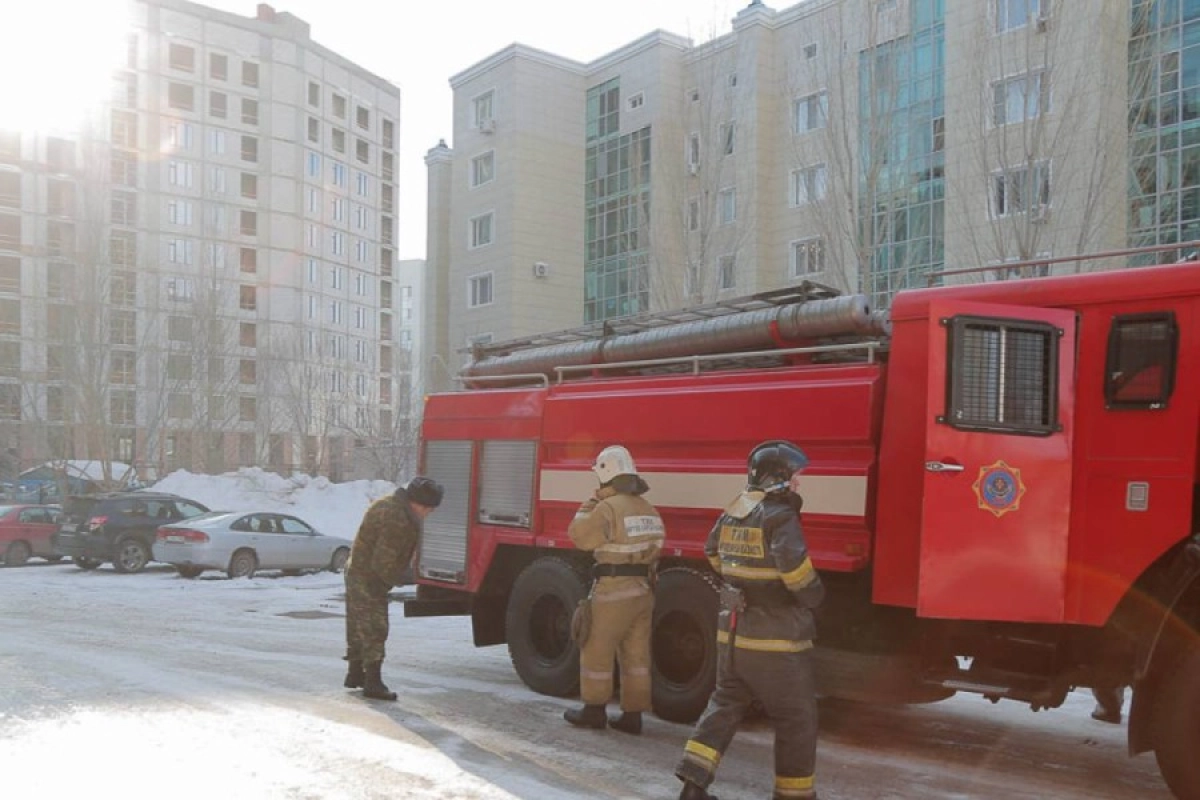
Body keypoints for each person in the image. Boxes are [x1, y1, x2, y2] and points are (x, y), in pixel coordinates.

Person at [675, 440, 825, 800]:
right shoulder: (780, 516)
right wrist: (815, 597)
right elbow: (796, 572)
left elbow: (712, 551)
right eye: (795, 477)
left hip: (734, 633)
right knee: (797, 717)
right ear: (779, 477)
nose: (798, 484)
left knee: (724, 706)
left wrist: (742, 581)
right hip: (775, 639)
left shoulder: (734, 511)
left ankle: (693, 786)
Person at [563, 445, 665, 734]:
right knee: (636, 656)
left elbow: (579, 536)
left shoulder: (607, 507)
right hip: (643, 591)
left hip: (613, 591)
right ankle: (633, 716)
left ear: (606, 475)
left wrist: (590, 504)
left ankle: (594, 711)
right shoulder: (648, 509)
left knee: (597, 649)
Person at [343, 475, 443, 700]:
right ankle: (373, 682)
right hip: (369, 576)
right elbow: (384, 562)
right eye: (428, 508)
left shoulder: (391, 504)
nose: (429, 513)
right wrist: (405, 579)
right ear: (417, 502)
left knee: (357, 623)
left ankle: (355, 673)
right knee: (375, 627)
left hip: (358, 570)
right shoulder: (397, 518)